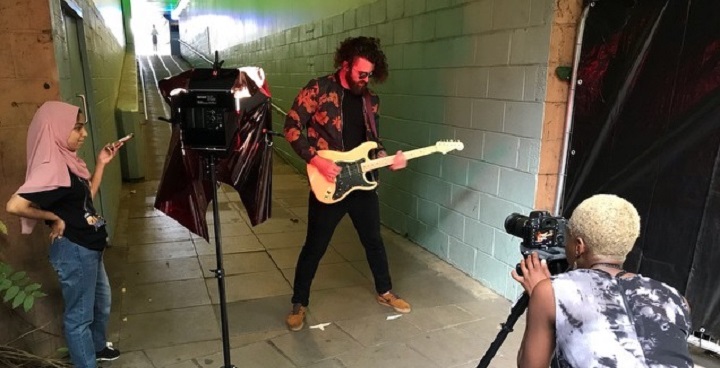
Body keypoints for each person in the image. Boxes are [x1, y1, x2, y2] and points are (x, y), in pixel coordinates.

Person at [283, 36, 410, 331]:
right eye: (360, 73)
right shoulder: (319, 89)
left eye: (369, 75)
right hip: (329, 181)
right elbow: (291, 126)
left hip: (361, 183)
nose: (365, 80)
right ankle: (299, 302)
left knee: (373, 241)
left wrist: (387, 158)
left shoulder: (370, 100)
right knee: (315, 246)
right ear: (345, 65)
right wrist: (317, 160)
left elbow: (373, 143)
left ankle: (385, 291)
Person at [511, 194, 692, 368]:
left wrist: (541, 294)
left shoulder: (550, 292)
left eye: (567, 237)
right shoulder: (676, 300)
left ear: (579, 246)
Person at [6, 101, 123, 368]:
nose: (83, 134)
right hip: (74, 250)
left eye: (82, 128)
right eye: (77, 128)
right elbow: (14, 206)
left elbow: (85, 202)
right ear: (56, 129)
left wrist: (102, 164)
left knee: (101, 303)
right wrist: (54, 217)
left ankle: (96, 349)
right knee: (79, 316)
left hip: (90, 245)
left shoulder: (67, 162)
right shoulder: (49, 166)